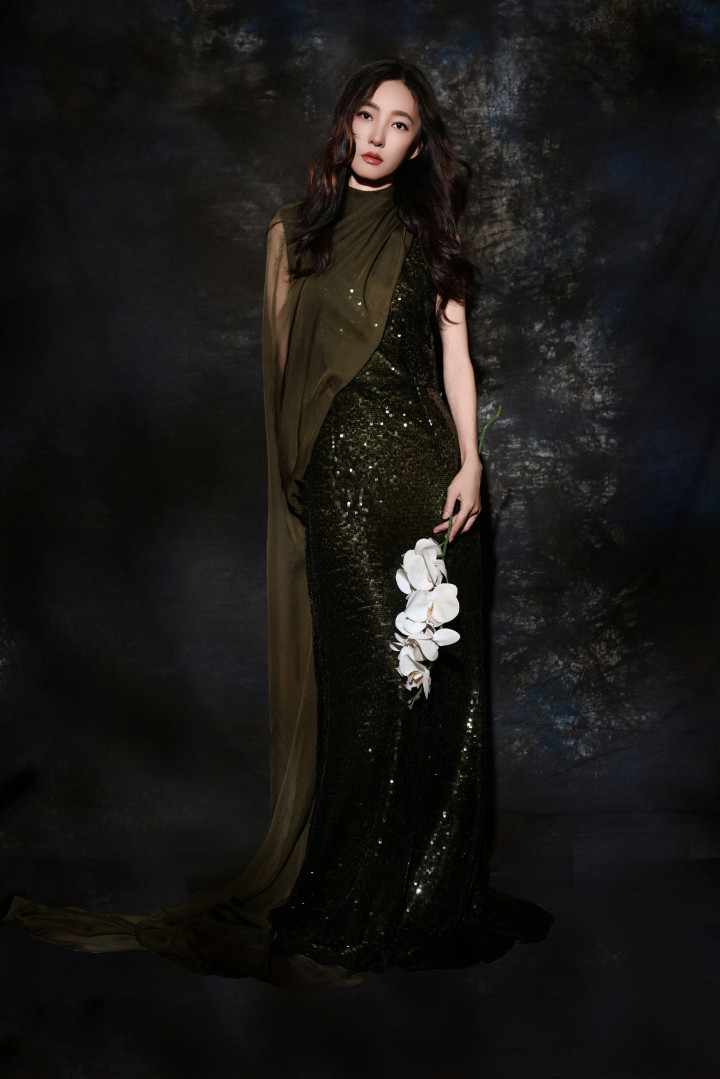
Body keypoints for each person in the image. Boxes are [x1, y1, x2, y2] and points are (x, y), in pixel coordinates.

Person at [4, 59, 553, 989]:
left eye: (399, 125)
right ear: (345, 124)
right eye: (367, 117)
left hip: (427, 484)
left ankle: (418, 891)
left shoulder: (428, 233)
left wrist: (472, 461)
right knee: (364, 686)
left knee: (431, 694)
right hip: (338, 484)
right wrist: (304, 476)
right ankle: (346, 892)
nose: (378, 136)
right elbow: (283, 378)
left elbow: (456, 355)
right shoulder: (293, 234)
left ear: (418, 146)